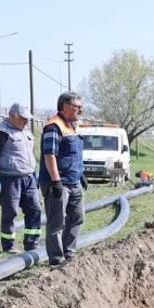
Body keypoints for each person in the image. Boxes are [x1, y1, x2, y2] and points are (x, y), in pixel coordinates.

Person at [0, 102, 41, 254]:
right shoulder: (0, 132)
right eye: (23, 118)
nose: (26, 122)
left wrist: (35, 174)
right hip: (9, 179)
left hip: (28, 178)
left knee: (34, 209)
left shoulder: (26, 132)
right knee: (10, 212)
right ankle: (8, 246)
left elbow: (30, 154)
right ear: (12, 116)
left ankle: (32, 243)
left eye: (27, 119)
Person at [38, 92, 85, 265]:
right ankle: (57, 260)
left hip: (74, 181)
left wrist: (81, 173)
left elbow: (73, 154)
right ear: (65, 107)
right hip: (59, 183)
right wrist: (56, 181)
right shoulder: (54, 127)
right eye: (77, 107)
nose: (80, 110)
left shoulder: (72, 126)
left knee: (77, 217)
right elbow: (49, 155)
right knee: (56, 223)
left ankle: (69, 254)